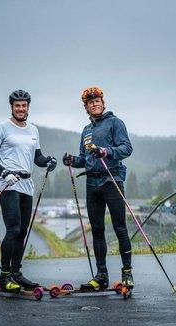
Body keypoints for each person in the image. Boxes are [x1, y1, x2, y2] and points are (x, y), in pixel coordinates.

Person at [0, 89, 57, 291]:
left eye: (24, 105)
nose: (20, 108)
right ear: (12, 107)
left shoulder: (33, 130)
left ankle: (16, 273)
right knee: (13, 228)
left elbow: (37, 158)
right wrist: (3, 171)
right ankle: (4, 276)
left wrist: (48, 161)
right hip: (8, 183)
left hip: (27, 185)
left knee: (23, 231)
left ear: (28, 107)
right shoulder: (1, 128)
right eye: (17, 105)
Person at [63, 87, 134, 290]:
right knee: (97, 230)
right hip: (91, 183)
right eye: (90, 102)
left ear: (103, 103)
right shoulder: (86, 130)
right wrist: (72, 160)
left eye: (98, 101)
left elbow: (126, 148)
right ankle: (101, 275)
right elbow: (84, 159)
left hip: (112, 180)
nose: (95, 104)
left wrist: (106, 151)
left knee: (120, 227)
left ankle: (127, 273)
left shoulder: (115, 122)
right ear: (86, 107)